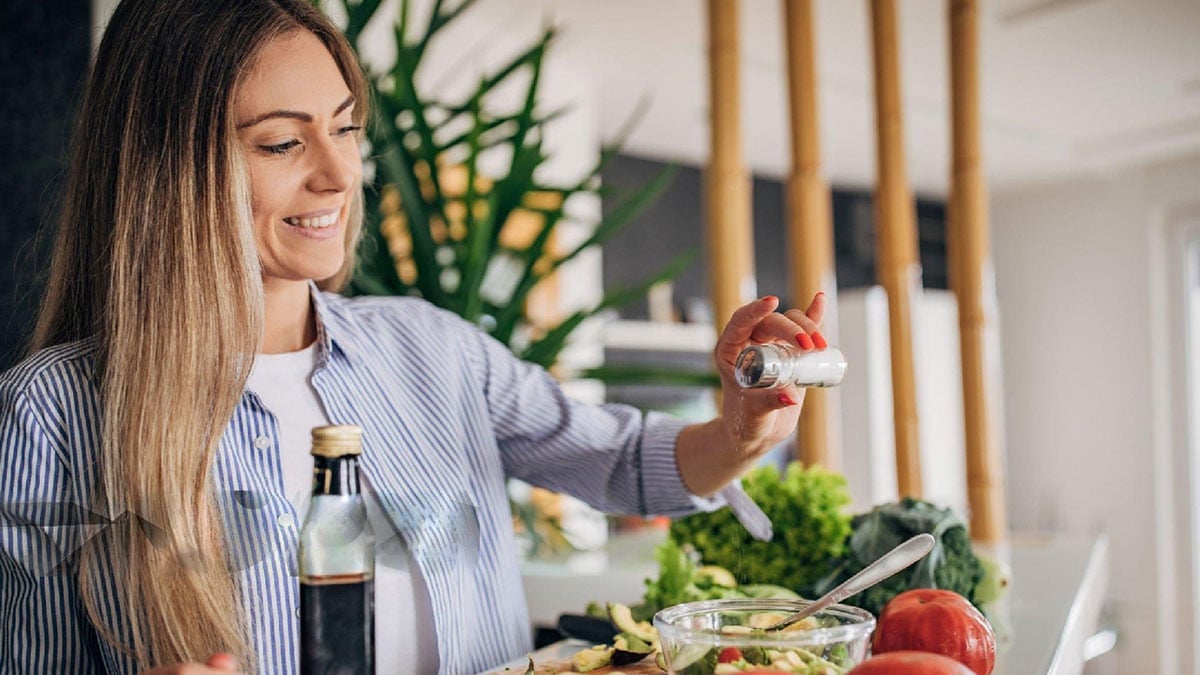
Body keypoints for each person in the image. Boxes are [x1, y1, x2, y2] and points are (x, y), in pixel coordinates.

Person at [0, 0, 829, 673]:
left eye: (347, 126)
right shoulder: (52, 414)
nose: (338, 171)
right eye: (284, 141)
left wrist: (739, 427)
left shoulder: (433, 349)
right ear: (166, 165)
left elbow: (619, 460)